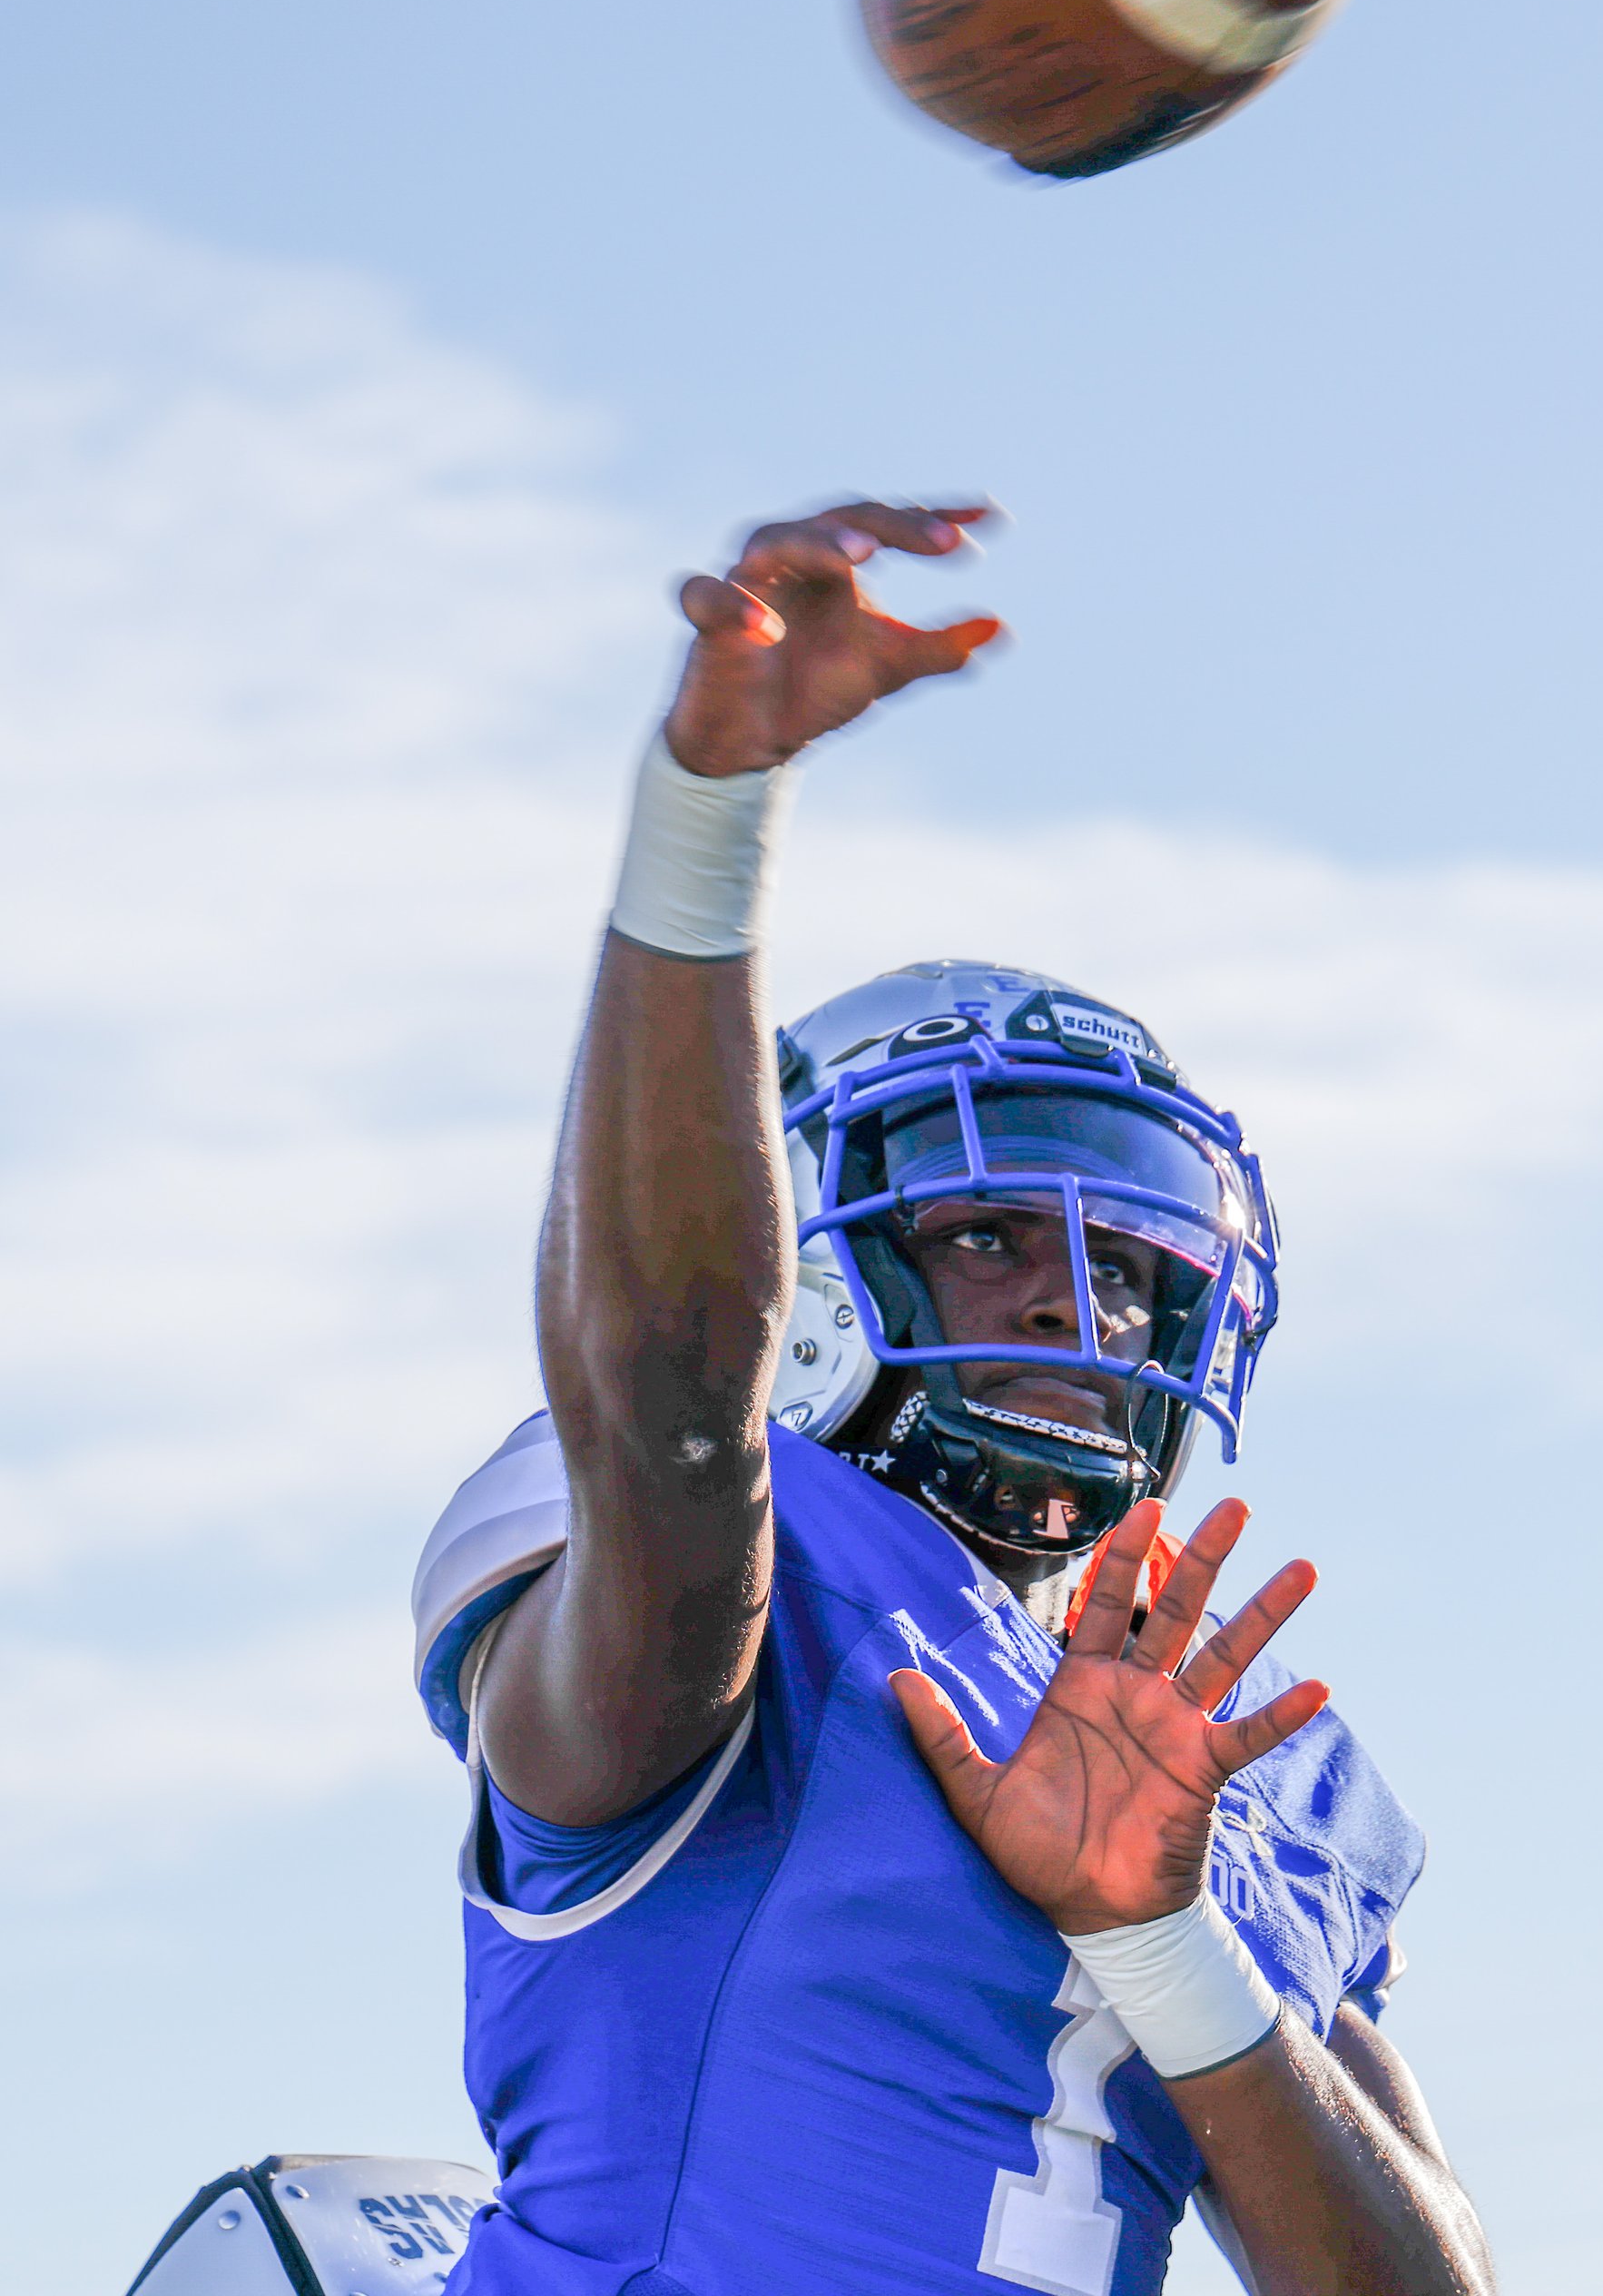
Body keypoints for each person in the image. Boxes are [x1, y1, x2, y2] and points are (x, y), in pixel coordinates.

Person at [409, 503, 1496, 2296]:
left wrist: (1162, 1948)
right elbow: (669, 1401)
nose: (1082, 1301)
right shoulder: (743, 1561)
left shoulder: (1242, 1744)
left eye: (1136, 1268)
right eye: (992, 1235)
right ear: (811, 1250)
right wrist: (706, 817)